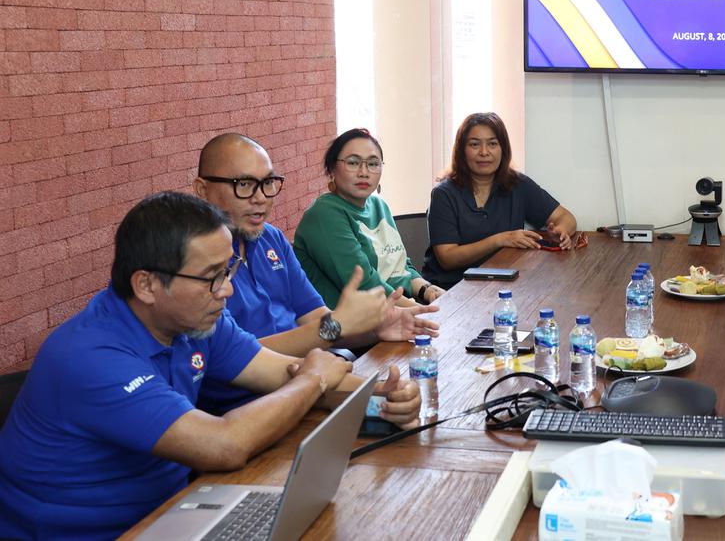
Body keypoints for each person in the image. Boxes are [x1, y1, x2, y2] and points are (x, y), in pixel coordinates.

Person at [0, 192, 421, 540]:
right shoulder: (90, 357)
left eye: (229, 269)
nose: (227, 289)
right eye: (211, 277)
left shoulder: (196, 321)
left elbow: (280, 373)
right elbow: (224, 444)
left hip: (175, 515)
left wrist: (378, 397)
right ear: (146, 284)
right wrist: (313, 378)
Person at [192, 133, 440, 413]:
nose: (260, 198)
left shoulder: (271, 239)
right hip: (248, 405)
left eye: (268, 183)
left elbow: (319, 321)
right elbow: (242, 357)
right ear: (202, 189)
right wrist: (338, 329)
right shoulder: (193, 263)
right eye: (245, 185)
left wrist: (373, 331)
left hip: (308, 384)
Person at [294, 128, 448, 311]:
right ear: (332, 169)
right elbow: (364, 283)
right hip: (349, 331)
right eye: (353, 163)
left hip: (390, 315)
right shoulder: (324, 213)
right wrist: (422, 312)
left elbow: (399, 266)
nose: (364, 172)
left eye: (373, 164)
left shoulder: (378, 205)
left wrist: (427, 290)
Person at [422, 112, 578, 289]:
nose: (484, 152)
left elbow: (566, 217)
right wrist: (500, 239)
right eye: (474, 144)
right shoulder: (444, 194)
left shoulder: (518, 184)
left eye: (492, 144)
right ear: (461, 150)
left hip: (503, 285)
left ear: (503, 149)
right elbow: (447, 258)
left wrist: (561, 231)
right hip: (452, 288)